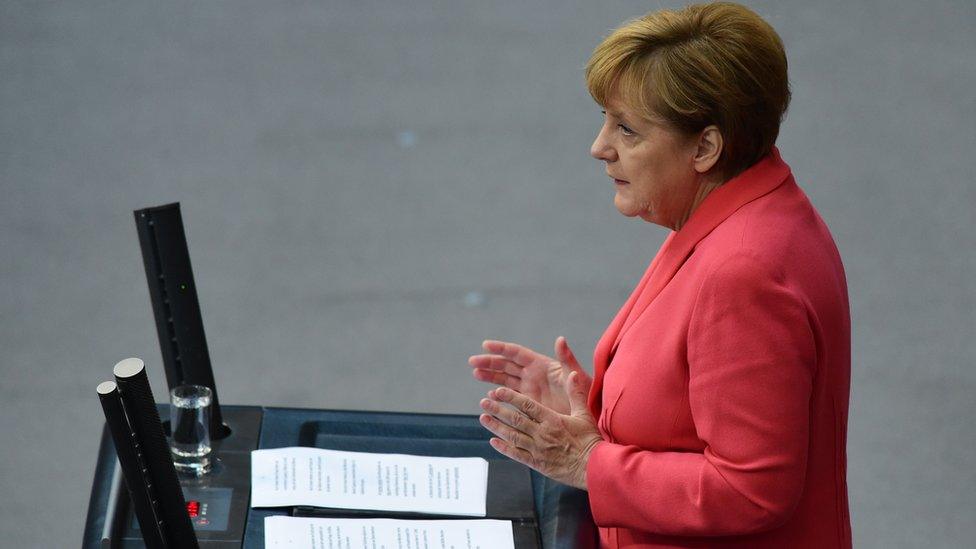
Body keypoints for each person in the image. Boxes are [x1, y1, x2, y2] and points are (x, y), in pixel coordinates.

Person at [468, 2, 852, 547]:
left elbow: (750, 490)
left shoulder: (744, 271)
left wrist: (587, 463)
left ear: (706, 147)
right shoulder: (741, 210)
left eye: (626, 129)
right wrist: (586, 405)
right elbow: (693, 405)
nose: (600, 148)